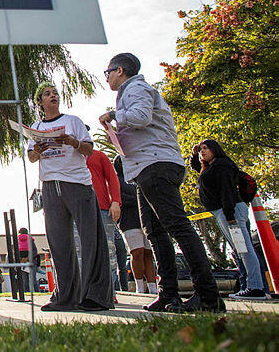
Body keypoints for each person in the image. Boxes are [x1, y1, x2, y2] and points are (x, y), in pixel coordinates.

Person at [99, 53, 223, 313]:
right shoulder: (130, 93)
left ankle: (208, 295)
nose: (107, 77)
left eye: (107, 72)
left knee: (177, 226)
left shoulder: (136, 88)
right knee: (154, 232)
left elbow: (141, 116)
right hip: (144, 167)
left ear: (119, 70)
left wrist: (113, 114)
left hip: (156, 165)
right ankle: (169, 294)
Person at [28, 82, 112, 312]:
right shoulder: (35, 127)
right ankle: (65, 297)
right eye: (47, 94)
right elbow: (32, 157)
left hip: (77, 184)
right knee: (59, 242)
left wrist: (73, 142)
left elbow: (89, 150)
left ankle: (96, 296)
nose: (52, 96)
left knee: (90, 239)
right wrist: (39, 149)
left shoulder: (73, 121)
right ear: (40, 102)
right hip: (50, 186)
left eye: (55, 93)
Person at [191, 139, 268, 300]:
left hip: (230, 211)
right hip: (224, 212)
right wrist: (194, 154)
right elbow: (199, 170)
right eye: (201, 150)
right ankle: (249, 286)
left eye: (206, 148)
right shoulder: (211, 167)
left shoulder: (222, 166)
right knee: (240, 250)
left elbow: (227, 191)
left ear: (215, 149)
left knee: (244, 249)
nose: (202, 152)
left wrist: (230, 215)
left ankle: (256, 288)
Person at [113, 156, 157, 294]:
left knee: (149, 253)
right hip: (128, 221)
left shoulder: (137, 178)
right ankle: (139, 287)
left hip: (145, 219)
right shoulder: (117, 181)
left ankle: (153, 287)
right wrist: (138, 200)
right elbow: (122, 199)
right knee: (136, 252)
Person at [84, 145, 122, 298]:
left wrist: (116, 201)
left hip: (103, 208)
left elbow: (112, 178)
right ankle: (84, 292)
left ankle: (109, 292)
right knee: (80, 251)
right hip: (79, 210)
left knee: (108, 250)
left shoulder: (99, 156)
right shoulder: (69, 159)